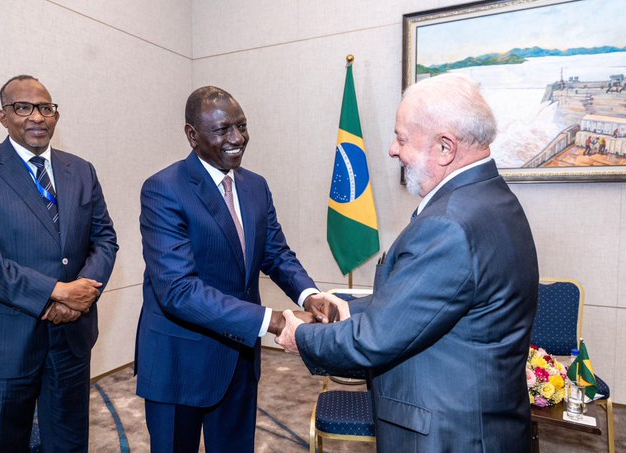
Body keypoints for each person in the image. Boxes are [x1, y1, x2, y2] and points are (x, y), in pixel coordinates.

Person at [277, 73, 539, 452]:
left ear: (445, 147)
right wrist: (347, 308)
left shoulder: (450, 224)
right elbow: (433, 299)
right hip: (481, 421)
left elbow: (376, 339)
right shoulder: (490, 198)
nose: (391, 150)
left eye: (402, 138)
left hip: (449, 435)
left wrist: (300, 336)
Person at [135, 86, 334, 452]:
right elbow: (179, 290)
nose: (237, 138)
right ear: (192, 135)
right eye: (223, 129)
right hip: (180, 362)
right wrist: (275, 321)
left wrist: (310, 295)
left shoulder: (255, 186)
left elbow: (276, 253)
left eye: (242, 126)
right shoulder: (164, 189)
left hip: (239, 359)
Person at [0, 75, 119, 452]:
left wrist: (82, 293)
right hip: (1, 345)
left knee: (68, 444)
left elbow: (105, 239)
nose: (36, 117)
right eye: (23, 108)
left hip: (70, 341)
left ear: (55, 115)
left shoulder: (81, 170)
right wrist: (55, 292)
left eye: (45, 108)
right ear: (2, 116)